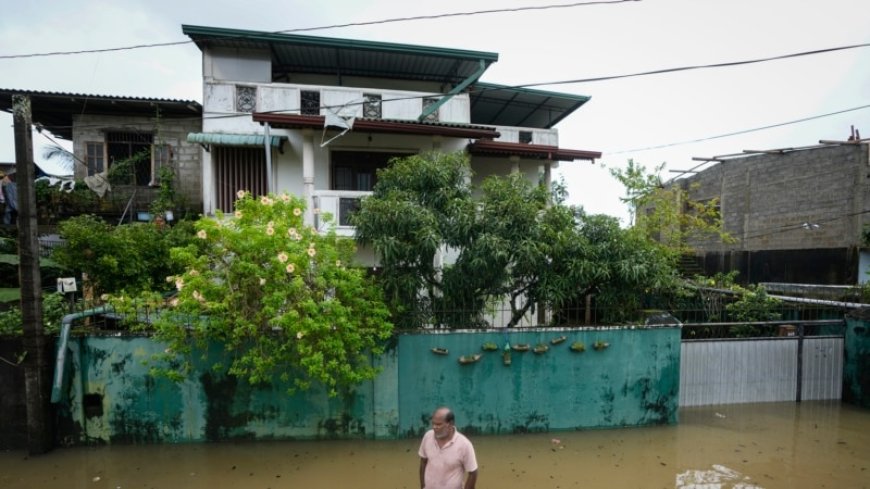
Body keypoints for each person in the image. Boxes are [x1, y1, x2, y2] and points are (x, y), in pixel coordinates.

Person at [418, 407, 478, 489]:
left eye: (438, 424)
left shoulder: (464, 445)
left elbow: (473, 473)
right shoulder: (428, 437)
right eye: (433, 424)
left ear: (450, 424)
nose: (434, 427)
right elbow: (423, 462)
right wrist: (423, 486)